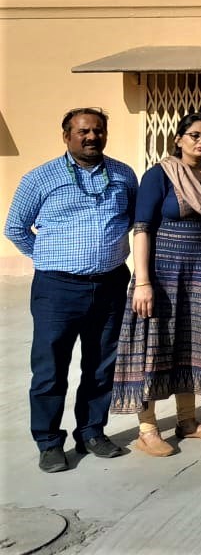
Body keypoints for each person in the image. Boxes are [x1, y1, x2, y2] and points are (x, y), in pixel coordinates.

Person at [5, 108, 139, 472]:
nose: (91, 136)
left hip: (110, 284)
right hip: (57, 289)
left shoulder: (123, 175)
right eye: (83, 131)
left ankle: (92, 432)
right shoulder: (40, 178)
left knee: (101, 364)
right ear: (66, 136)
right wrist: (48, 257)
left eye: (98, 130)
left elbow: (130, 219)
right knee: (50, 367)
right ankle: (49, 442)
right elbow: (15, 227)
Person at [111, 112, 201, 456]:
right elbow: (142, 228)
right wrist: (143, 281)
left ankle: (187, 421)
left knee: (189, 345)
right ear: (178, 139)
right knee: (154, 346)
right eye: (194, 135)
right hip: (162, 276)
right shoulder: (159, 175)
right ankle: (147, 429)